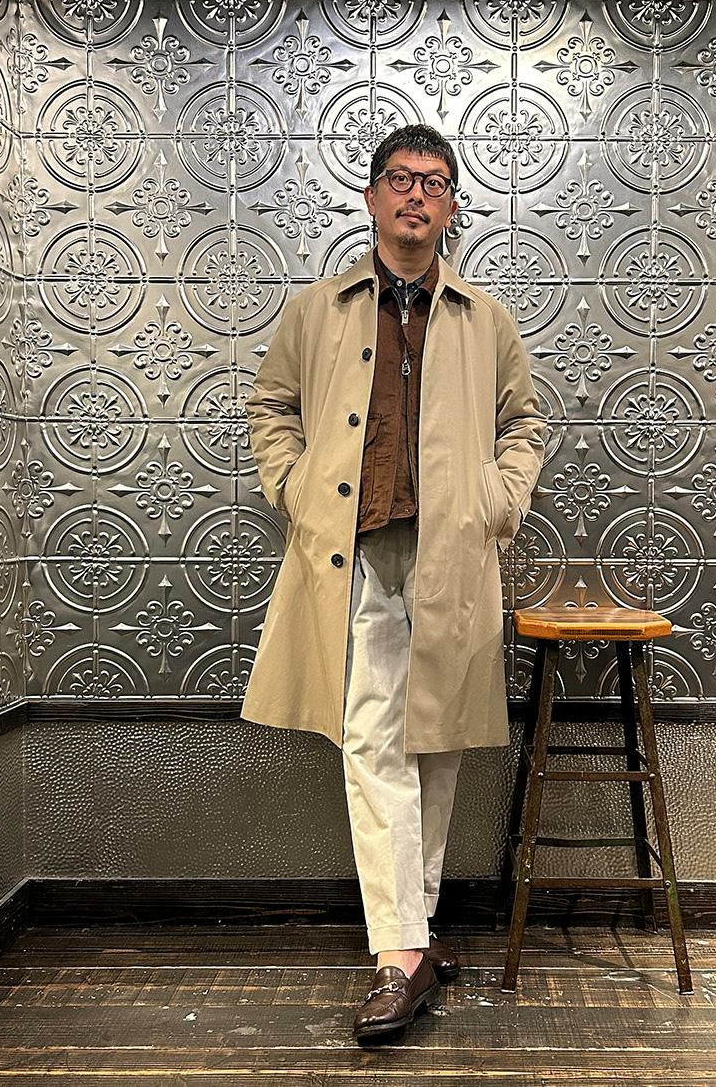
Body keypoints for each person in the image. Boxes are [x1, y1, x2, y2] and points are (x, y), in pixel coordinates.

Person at [243, 124, 546, 1042]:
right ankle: (400, 953)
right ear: (373, 196)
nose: (418, 195)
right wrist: (295, 489)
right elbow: (272, 408)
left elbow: (523, 423)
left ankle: (412, 938)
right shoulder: (319, 310)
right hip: (356, 551)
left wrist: (499, 502)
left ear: (451, 208)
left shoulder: (485, 319)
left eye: (436, 183)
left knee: (437, 744)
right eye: (402, 179)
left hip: (453, 555)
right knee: (374, 738)